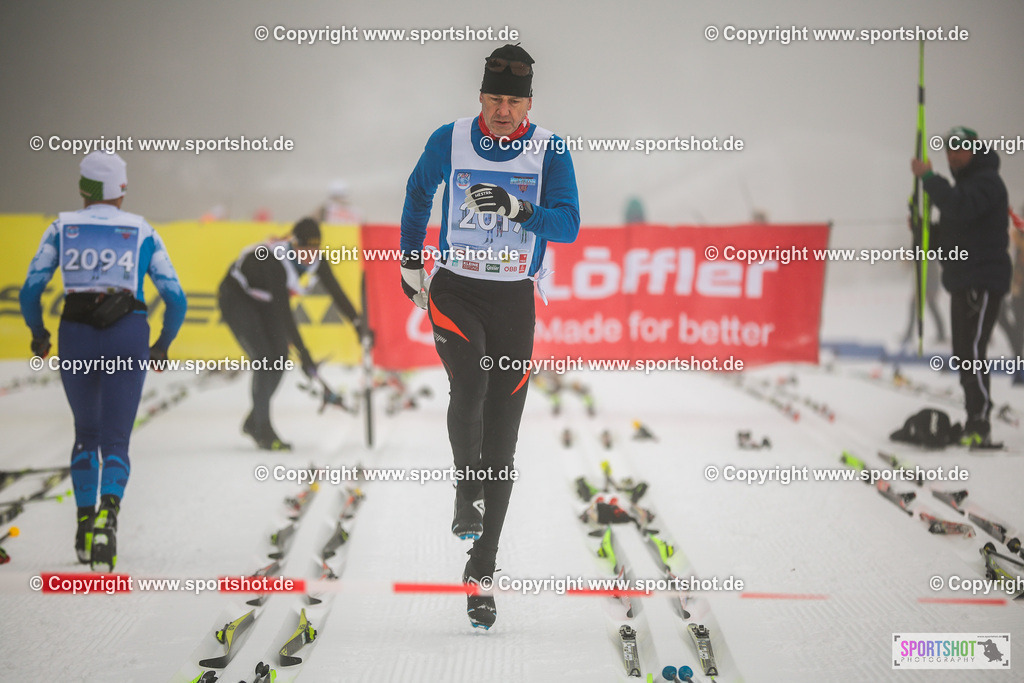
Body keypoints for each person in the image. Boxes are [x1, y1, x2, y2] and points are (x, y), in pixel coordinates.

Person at [400, 43, 580, 629]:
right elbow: (418, 191)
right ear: (480, 97)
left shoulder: (550, 148)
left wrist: (519, 209)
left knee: (504, 437)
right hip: (456, 289)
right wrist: (410, 261)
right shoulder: (448, 138)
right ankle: (463, 490)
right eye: (495, 99)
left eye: (515, 102)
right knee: (471, 381)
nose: (504, 111)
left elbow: (568, 224)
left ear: (530, 103)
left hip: (512, 300)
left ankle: (482, 570)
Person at [19, 151, 187, 571]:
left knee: (85, 434)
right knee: (116, 441)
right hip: (127, 334)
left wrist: (39, 335)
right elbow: (176, 299)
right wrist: (163, 344)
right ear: (122, 190)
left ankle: (81, 527)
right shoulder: (142, 230)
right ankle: (107, 523)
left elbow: (30, 290)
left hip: (75, 334)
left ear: (82, 188)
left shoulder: (61, 228)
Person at [218, 218, 368, 450]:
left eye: (315, 250)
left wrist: (358, 323)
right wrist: (304, 353)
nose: (310, 256)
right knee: (265, 359)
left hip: (265, 300)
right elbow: (285, 314)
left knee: (279, 359)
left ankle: (254, 420)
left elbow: (335, 292)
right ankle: (263, 430)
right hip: (237, 297)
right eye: (305, 250)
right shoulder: (274, 261)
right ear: (293, 244)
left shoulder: (316, 259)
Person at [911, 125, 1011, 446]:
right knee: (963, 352)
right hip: (961, 281)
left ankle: (980, 421)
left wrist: (928, 179)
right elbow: (945, 241)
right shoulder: (960, 189)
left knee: (974, 351)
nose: (954, 157)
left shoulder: (986, 183)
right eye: (949, 152)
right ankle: (974, 417)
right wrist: (922, 229)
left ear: (974, 150)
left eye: (960, 150)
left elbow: (960, 205)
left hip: (982, 280)